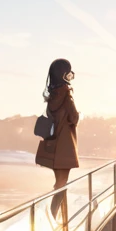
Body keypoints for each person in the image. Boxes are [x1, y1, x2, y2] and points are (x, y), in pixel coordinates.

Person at [35, 57, 79, 218]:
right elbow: (73, 118)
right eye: (69, 73)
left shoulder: (52, 97)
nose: (71, 76)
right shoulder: (66, 96)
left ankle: (57, 216)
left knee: (58, 183)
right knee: (62, 184)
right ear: (63, 75)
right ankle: (53, 217)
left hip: (53, 146)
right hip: (65, 147)